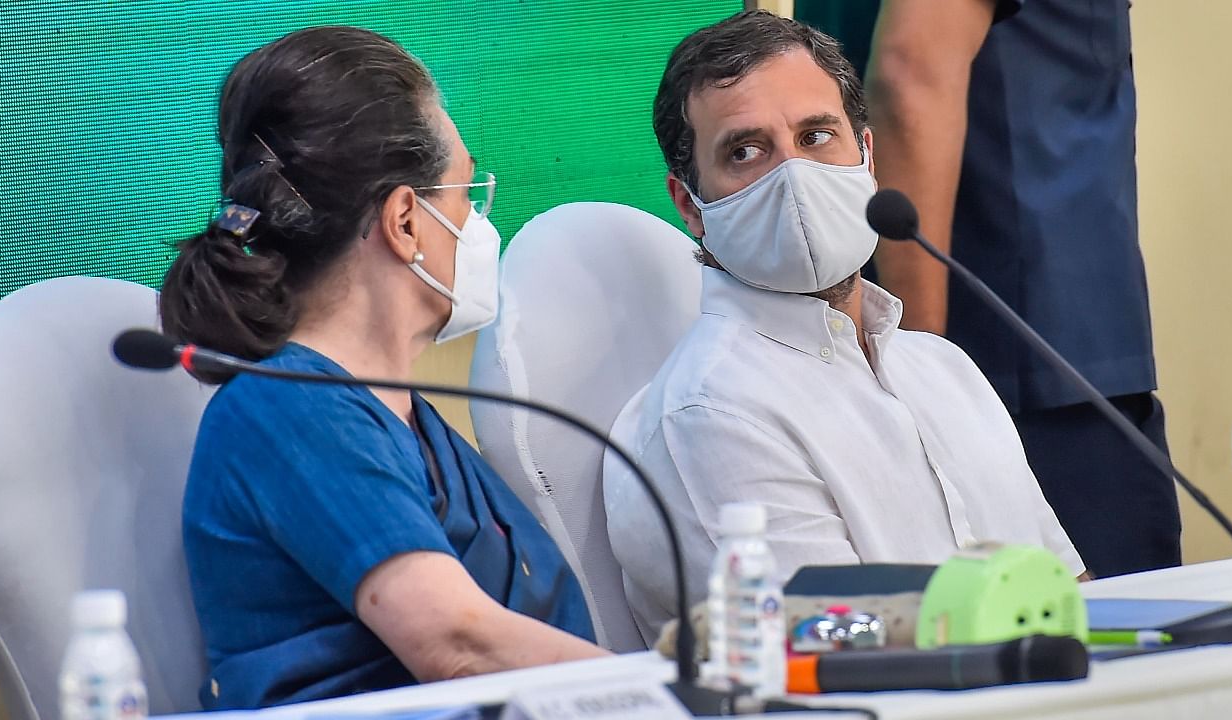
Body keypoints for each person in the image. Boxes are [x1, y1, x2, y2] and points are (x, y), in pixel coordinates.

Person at [158, 27, 604, 710]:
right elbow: (458, 644)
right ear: (404, 222)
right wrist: (666, 694)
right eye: (463, 196)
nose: (479, 225)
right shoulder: (286, 413)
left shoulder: (399, 417)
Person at [602, 10, 1083, 643]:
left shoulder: (943, 369)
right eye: (745, 151)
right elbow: (835, 656)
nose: (794, 175)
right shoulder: (709, 411)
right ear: (691, 203)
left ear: (866, 155)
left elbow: (1069, 597)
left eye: (817, 135)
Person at [844, 0, 1181, 577]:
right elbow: (911, 76)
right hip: (1031, 374)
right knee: (1114, 651)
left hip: (1018, 359)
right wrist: (924, 374)